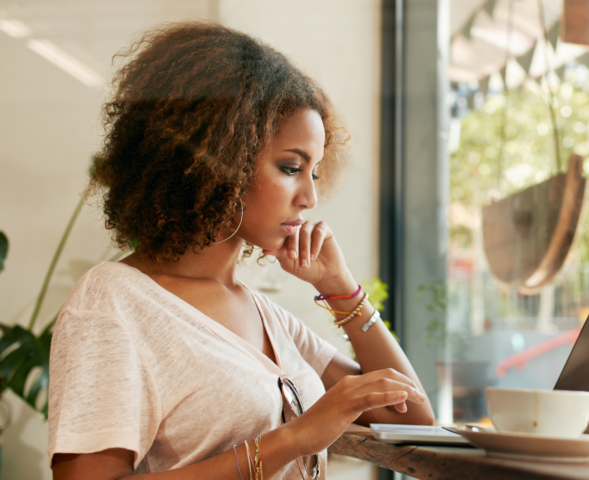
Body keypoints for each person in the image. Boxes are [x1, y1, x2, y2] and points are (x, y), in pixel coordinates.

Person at [48, 21, 434, 480]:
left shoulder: (265, 316)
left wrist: (341, 289)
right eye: (291, 167)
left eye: (313, 172)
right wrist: (295, 437)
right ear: (220, 160)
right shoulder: (114, 304)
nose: (309, 198)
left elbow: (412, 417)